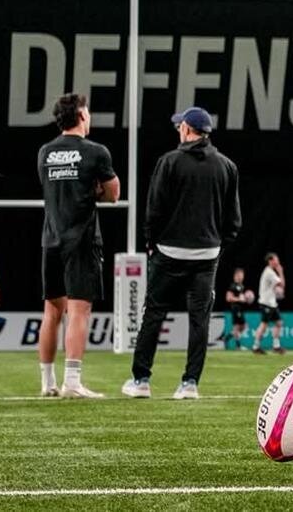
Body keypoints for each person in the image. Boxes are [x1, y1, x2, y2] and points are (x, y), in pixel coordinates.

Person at [123, 107, 241, 400]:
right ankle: (190, 383)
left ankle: (141, 380)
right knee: (200, 319)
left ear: (187, 129)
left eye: (180, 127)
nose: (178, 130)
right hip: (206, 255)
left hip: (169, 251)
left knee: (154, 313)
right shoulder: (227, 166)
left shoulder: (170, 162)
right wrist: (217, 247)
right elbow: (233, 220)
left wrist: (151, 242)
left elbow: (154, 209)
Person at [38, 94, 119, 397]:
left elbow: (55, 190)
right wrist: (93, 191)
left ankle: (47, 383)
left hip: (51, 239)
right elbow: (113, 194)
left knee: (51, 312)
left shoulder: (45, 151)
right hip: (81, 241)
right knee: (79, 311)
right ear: (82, 116)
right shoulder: (96, 152)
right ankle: (72, 382)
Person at [252, 253, 286, 355]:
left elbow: (277, 287)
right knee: (264, 324)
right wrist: (281, 272)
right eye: (276, 260)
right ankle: (256, 346)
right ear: (270, 261)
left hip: (272, 303)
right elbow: (282, 284)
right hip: (266, 303)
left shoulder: (270, 272)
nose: (278, 262)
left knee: (279, 323)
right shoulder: (269, 272)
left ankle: (276, 346)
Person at [223, 267, 254, 350]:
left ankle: (227, 337)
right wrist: (239, 299)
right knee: (237, 326)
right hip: (235, 308)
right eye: (240, 275)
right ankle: (238, 346)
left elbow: (241, 298)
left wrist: (246, 299)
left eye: (242, 275)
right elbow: (228, 298)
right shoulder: (233, 286)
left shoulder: (241, 286)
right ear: (235, 276)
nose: (241, 277)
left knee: (243, 326)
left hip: (240, 308)